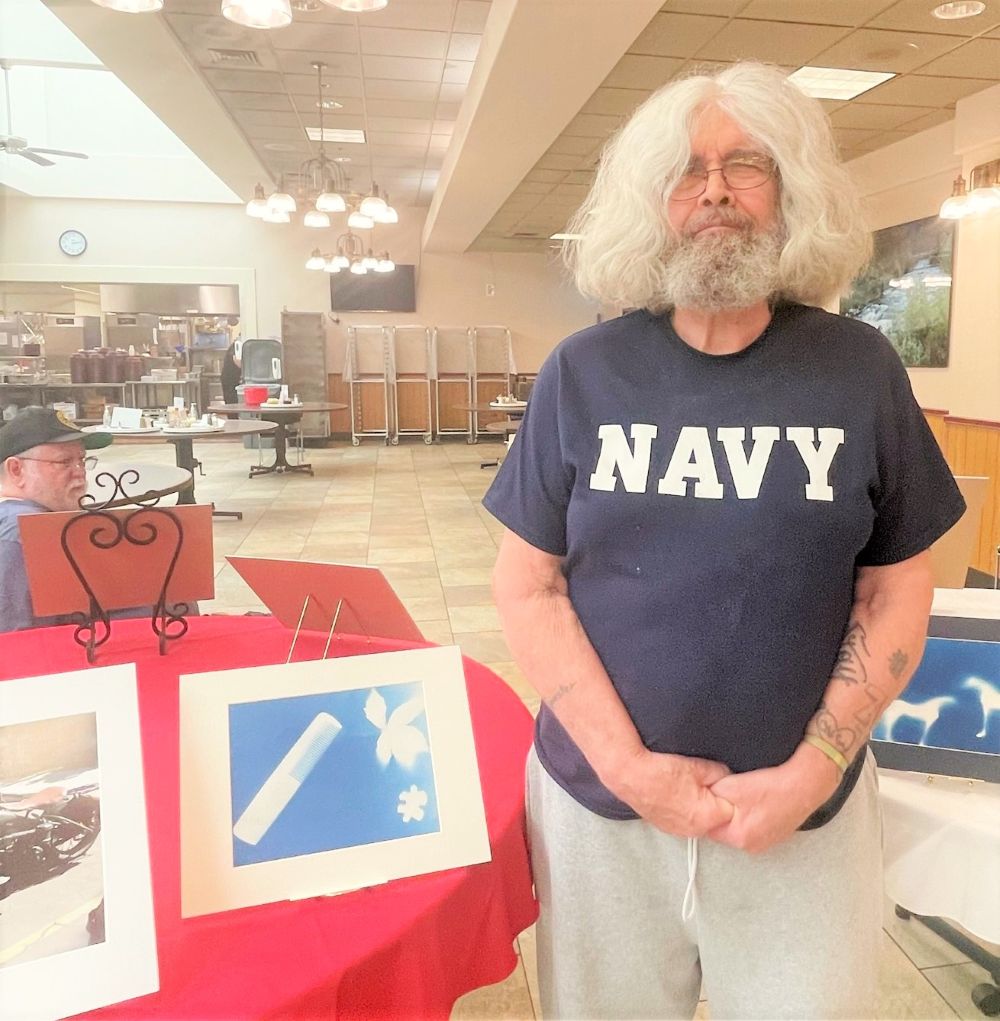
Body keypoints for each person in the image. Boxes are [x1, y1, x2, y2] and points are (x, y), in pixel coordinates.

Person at [484, 62, 966, 1020]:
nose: (714, 191)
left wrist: (814, 769)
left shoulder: (859, 370)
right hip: (601, 814)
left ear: (790, 191)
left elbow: (896, 590)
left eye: (746, 165)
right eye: (686, 170)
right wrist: (632, 771)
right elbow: (528, 586)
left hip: (803, 820)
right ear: (650, 202)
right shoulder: (583, 372)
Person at [1, 407, 113, 632]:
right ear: (16, 469)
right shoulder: (25, 532)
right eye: (64, 462)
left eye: (82, 460)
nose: (79, 472)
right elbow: (18, 639)